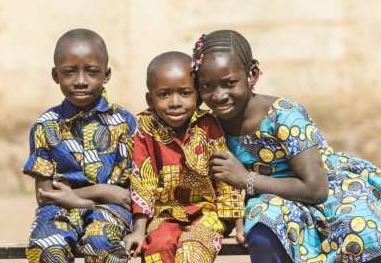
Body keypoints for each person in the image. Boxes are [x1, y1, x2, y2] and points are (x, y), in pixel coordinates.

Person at [191, 29, 381, 263]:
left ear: (252, 74)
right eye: (207, 86)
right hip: (274, 197)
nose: (218, 95)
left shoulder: (284, 116)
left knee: (358, 228)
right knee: (263, 229)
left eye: (230, 83)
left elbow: (316, 189)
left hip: (328, 189)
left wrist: (247, 180)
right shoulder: (212, 125)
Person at [22, 29, 136, 263]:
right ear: (55, 75)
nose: (81, 81)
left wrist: (71, 196)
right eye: (69, 72)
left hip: (112, 212)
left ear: (107, 74)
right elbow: (45, 197)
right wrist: (101, 191)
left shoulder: (125, 122)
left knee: (102, 241)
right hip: (59, 213)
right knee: (46, 246)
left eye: (92, 72)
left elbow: (128, 197)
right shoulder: (45, 126)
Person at [123, 51, 244, 263]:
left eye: (185, 93)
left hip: (207, 212)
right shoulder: (145, 128)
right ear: (150, 99)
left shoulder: (208, 126)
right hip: (163, 214)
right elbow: (142, 181)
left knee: (192, 252)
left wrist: (240, 227)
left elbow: (225, 179)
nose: (175, 102)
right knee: (158, 248)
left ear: (197, 96)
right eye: (164, 95)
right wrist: (139, 230)